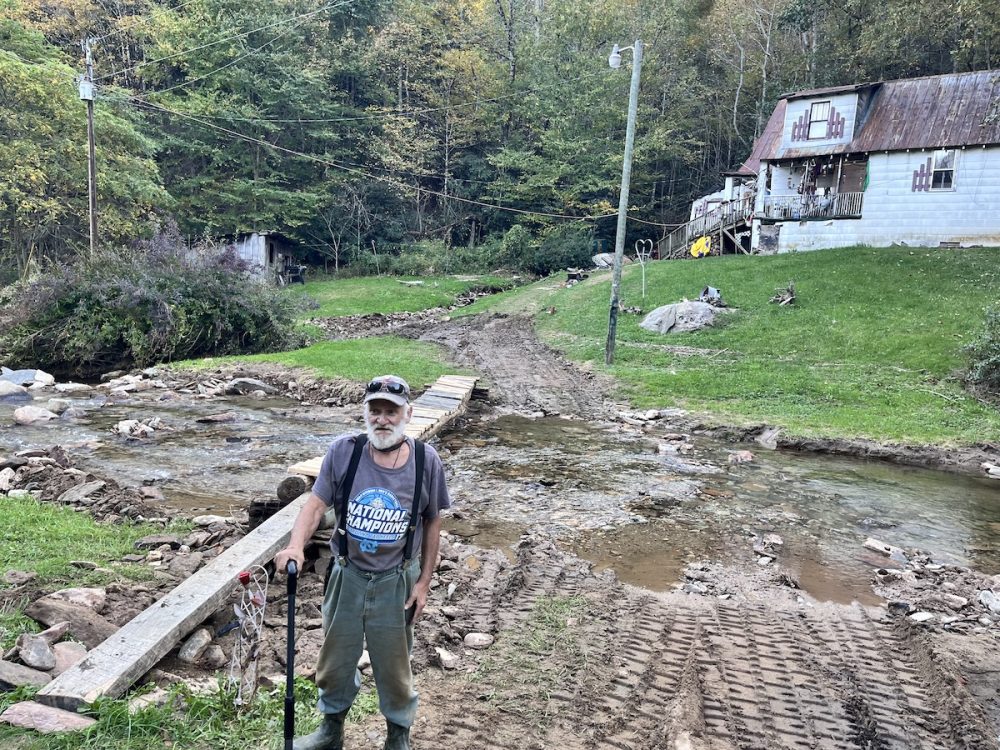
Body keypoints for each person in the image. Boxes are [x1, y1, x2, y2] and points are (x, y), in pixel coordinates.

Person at [275, 375, 451, 750]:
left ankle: (397, 737)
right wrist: (295, 546)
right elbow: (316, 504)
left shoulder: (426, 460)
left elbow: (433, 519)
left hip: (396, 581)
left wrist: (423, 584)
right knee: (335, 661)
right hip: (347, 576)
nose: (382, 419)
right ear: (366, 413)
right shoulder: (345, 451)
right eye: (375, 410)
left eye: (391, 411)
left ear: (409, 414)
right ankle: (330, 731)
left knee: (395, 669)